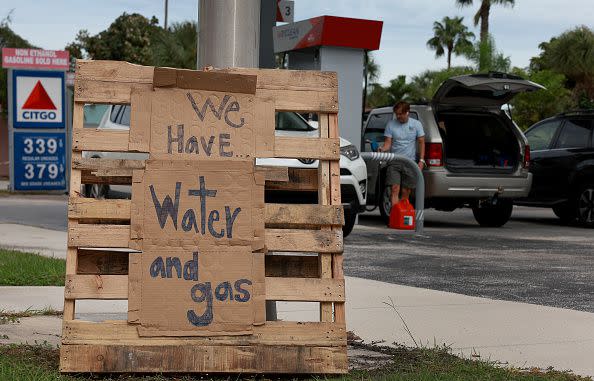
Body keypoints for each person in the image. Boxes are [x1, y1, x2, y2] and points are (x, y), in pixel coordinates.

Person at [378, 101, 425, 208]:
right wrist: (382, 148)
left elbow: (422, 142)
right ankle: (394, 216)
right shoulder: (391, 124)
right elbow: (388, 143)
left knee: (406, 191)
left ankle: (402, 217)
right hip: (394, 162)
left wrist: (421, 160)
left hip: (410, 162)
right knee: (394, 188)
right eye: (396, 114)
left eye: (400, 114)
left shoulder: (416, 124)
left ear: (407, 112)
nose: (398, 116)